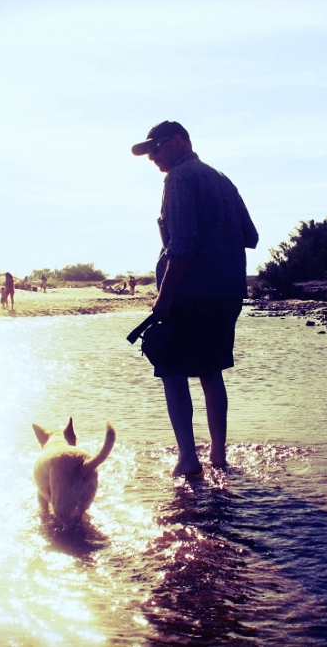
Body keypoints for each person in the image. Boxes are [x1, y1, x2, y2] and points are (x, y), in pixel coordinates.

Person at [131, 121, 259, 477]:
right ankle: (218, 455)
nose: (152, 156)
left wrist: (164, 298)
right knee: (210, 371)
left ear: (178, 141)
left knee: (171, 372)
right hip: (228, 291)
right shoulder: (221, 180)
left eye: (156, 147)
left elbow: (182, 246)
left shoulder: (180, 179)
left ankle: (188, 459)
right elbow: (251, 236)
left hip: (191, 292)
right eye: (148, 152)